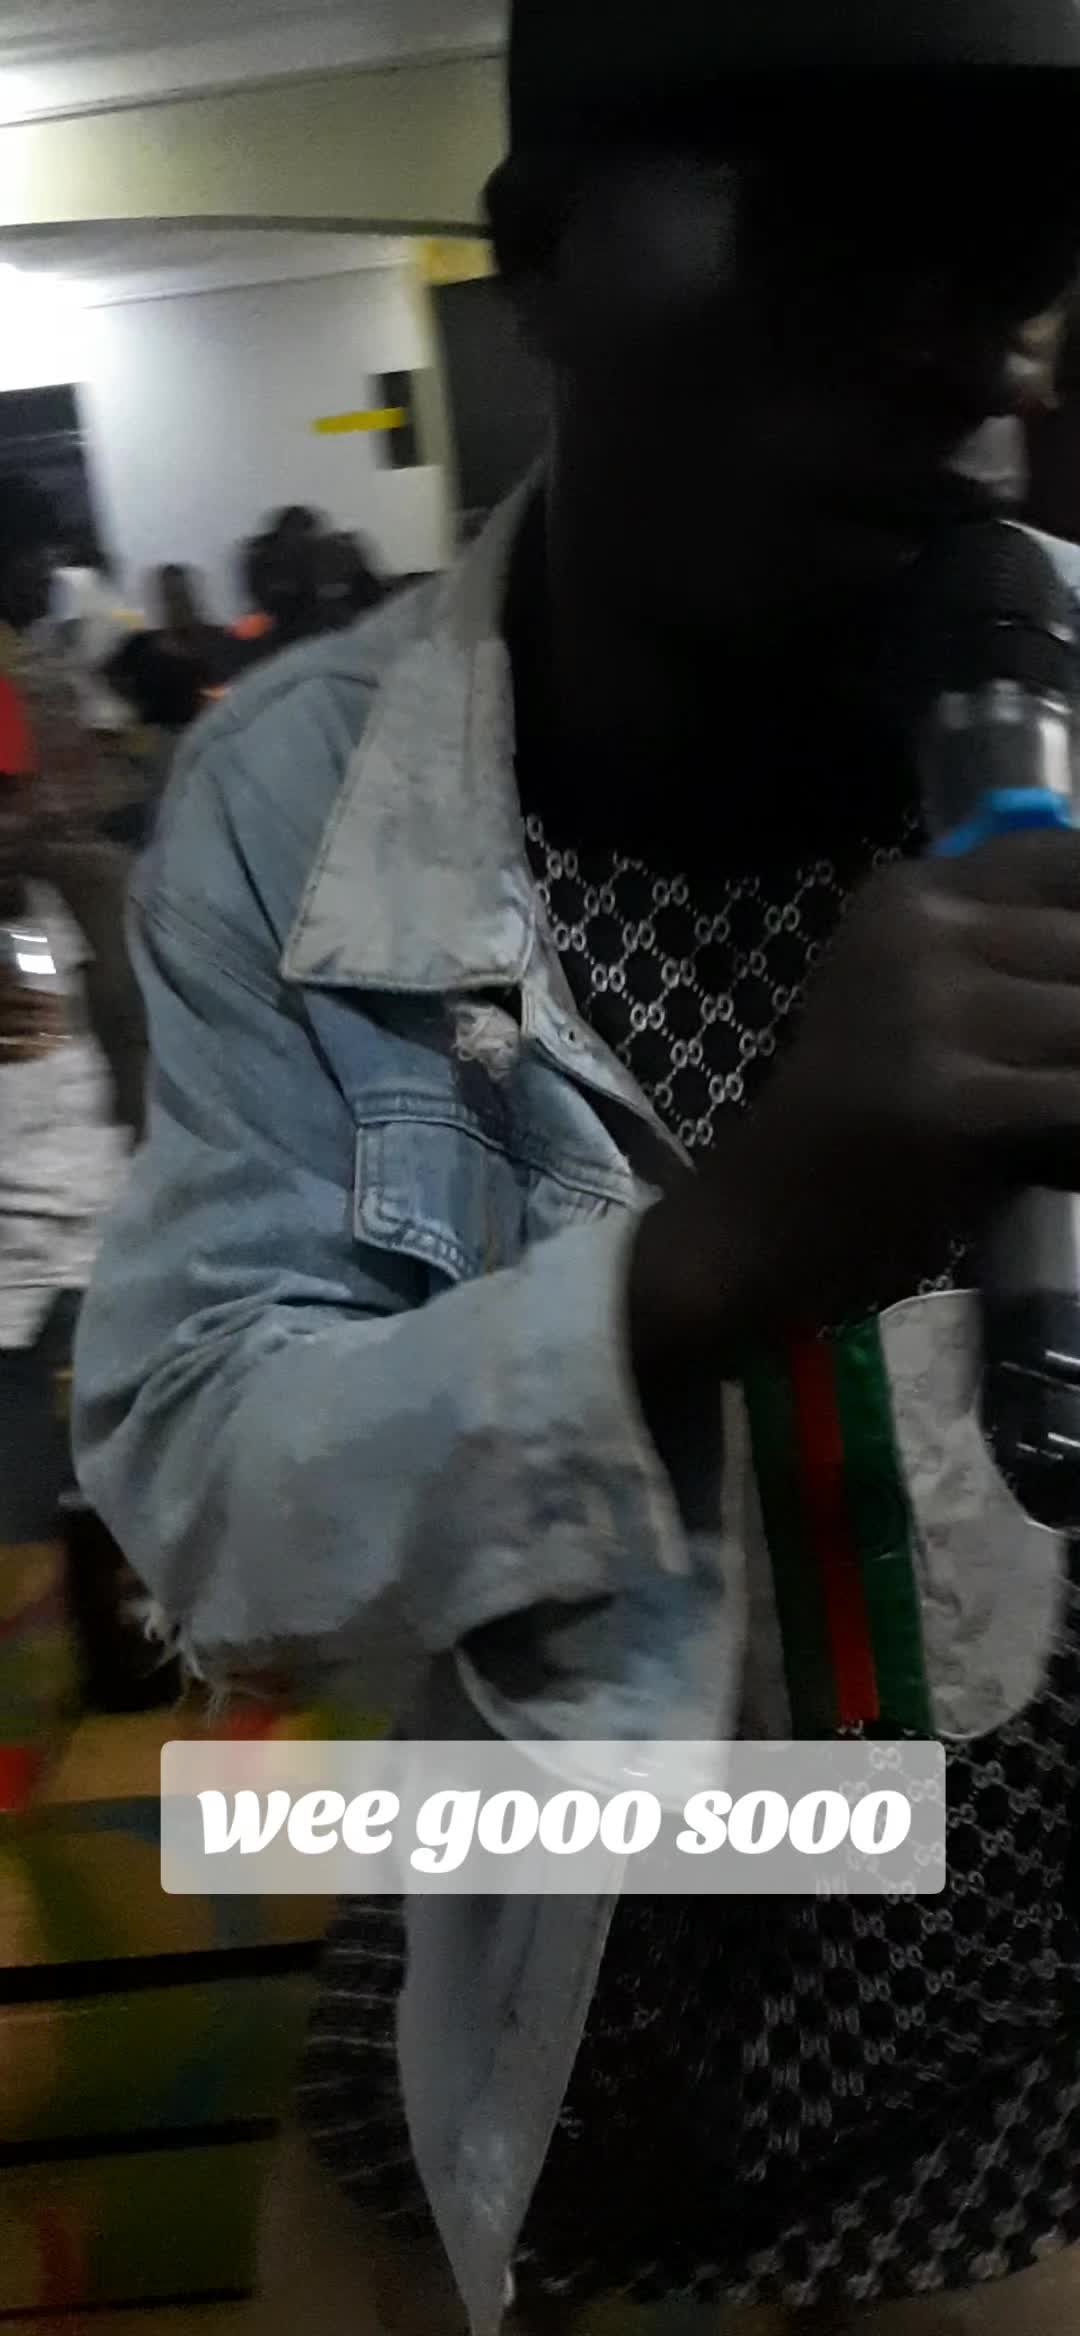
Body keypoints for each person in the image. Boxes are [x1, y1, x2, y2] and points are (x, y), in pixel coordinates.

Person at [73, 2, 1080, 2330]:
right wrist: (707, 1260)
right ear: (539, 253)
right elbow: (210, 1522)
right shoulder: (289, 796)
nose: (956, 342)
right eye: (831, 225)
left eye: (1014, 251)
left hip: (1001, 2134)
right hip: (500, 2137)